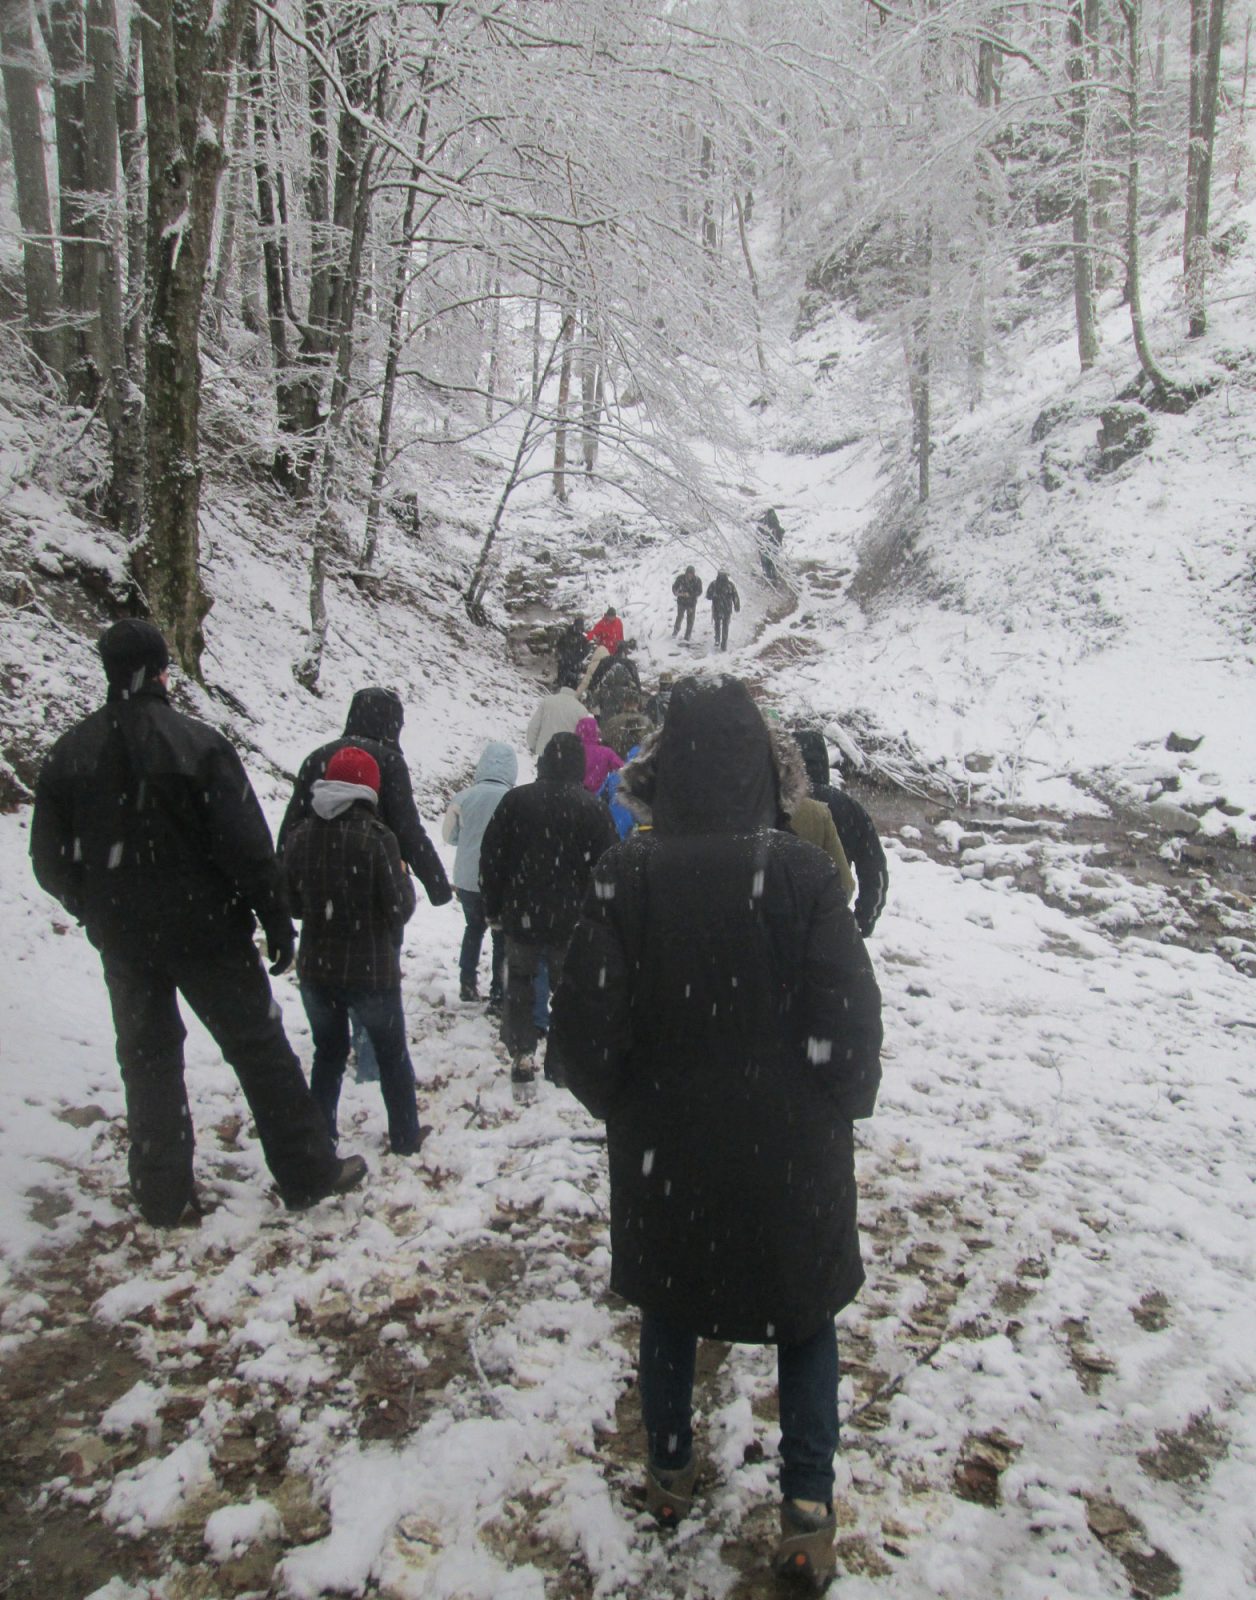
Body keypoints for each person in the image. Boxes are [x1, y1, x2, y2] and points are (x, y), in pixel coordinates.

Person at [549, 676, 882, 1590]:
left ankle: (666, 1468)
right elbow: (850, 1025)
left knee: (672, 1302)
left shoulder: (629, 874)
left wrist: (631, 1106)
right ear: (767, 778)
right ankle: (807, 1509)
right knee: (806, 1320)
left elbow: (580, 1032)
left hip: (671, 1151)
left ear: (666, 772)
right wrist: (833, 1104)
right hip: (791, 1154)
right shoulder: (805, 874)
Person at [30, 620, 365, 1223]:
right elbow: (246, 848)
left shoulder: (69, 755)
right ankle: (307, 1171)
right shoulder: (196, 744)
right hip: (207, 931)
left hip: (127, 939)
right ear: (162, 670)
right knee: (259, 1048)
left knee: (147, 1057)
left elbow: (49, 864)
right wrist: (276, 919)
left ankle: (162, 1195)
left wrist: (96, 907)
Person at [278, 687, 453, 1083]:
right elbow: (408, 828)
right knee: (374, 970)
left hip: (320, 883)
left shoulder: (318, 757)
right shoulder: (388, 761)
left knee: (326, 962)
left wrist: (283, 880)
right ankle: (371, 1059)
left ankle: (340, 1046)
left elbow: (291, 826)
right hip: (376, 884)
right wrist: (436, 884)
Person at [284, 747, 424, 1156]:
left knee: (327, 1054)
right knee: (392, 1055)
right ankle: (405, 1137)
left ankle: (320, 1135)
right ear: (369, 789)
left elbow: (291, 906)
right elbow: (400, 910)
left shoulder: (301, 835)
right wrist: (403, 878)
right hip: (371, 971)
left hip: (316, 969)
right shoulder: (378, 838)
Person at [479, 732, 617, 1102]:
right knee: (569, 991)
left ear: (542, 762)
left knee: (520, 986)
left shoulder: (516, 801)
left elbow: (492, 859)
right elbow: (608, 867)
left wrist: (492, 906)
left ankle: (523, 1052)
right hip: (572, 919)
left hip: (521, 913)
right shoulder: (591, 808)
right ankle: (561, 1061)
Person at [793, 729, 889, 938]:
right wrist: (864, 921)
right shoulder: (849, 807)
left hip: (786, 920)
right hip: (832, 918)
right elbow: (874, 870)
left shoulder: (779, 803)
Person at [442, 740, 518, 1003]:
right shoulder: (512, 799)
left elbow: (449, 836)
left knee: (473, 928)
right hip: (498, 881)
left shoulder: (463, 797)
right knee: (500, 936)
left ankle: (466, 981)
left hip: (466, 879)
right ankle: (499, 989)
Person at [525, 683, 589, 760]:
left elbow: (533, 727)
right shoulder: (582, 710)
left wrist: (533, 746)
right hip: (566, 756)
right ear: (576, 688)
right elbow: (583, 738)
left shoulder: (548, 701)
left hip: (544, 751)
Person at [587, 640, 642, 719]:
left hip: (607, 696)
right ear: (626, 651)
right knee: (624, 722)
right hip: (625, 698)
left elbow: (594, 680)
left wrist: (593, 692)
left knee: (607, 723)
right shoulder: (630, 664)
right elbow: (638, 686)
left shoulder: (606, 661)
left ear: (616, 648)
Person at [576, 715, 623, 795]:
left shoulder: (573, 751)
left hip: (576, 796)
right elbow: (622, 769)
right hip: (598, 797)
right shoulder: (606, 752)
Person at [706, 571, 741, 651]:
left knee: (718, 624)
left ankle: (718, 640)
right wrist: (736, 606)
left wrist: (713, 595)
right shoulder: (730, 585)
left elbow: (708, 595)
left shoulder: (714, 584)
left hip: (718, 608)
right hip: (725, 609)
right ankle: (723, 643)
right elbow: (735, 596)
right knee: (725, 626)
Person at [554, 616, 591, 690]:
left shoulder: (582, 638)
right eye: (578, 627)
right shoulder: (566, 634)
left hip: (575, 662)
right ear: (574, 625)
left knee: (573, 683)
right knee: (562, 680)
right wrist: (561, 654)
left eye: (580, 627)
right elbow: (558, 645)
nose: (579, 629)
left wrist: (580, 656)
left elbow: (587, 649)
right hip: (564, 661)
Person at [671, 566, 702, 639]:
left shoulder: (697, 580)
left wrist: (690, 594)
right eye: (688, 573)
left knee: (690, 620)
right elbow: (674, 587)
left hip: (691, 603)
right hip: (681, 602)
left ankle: (687, 636)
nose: (689, 575)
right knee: (679, 617)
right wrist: (677, 592)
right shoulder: (680, 578)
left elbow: (699, 591)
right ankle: (676, 631)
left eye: (691, 574)